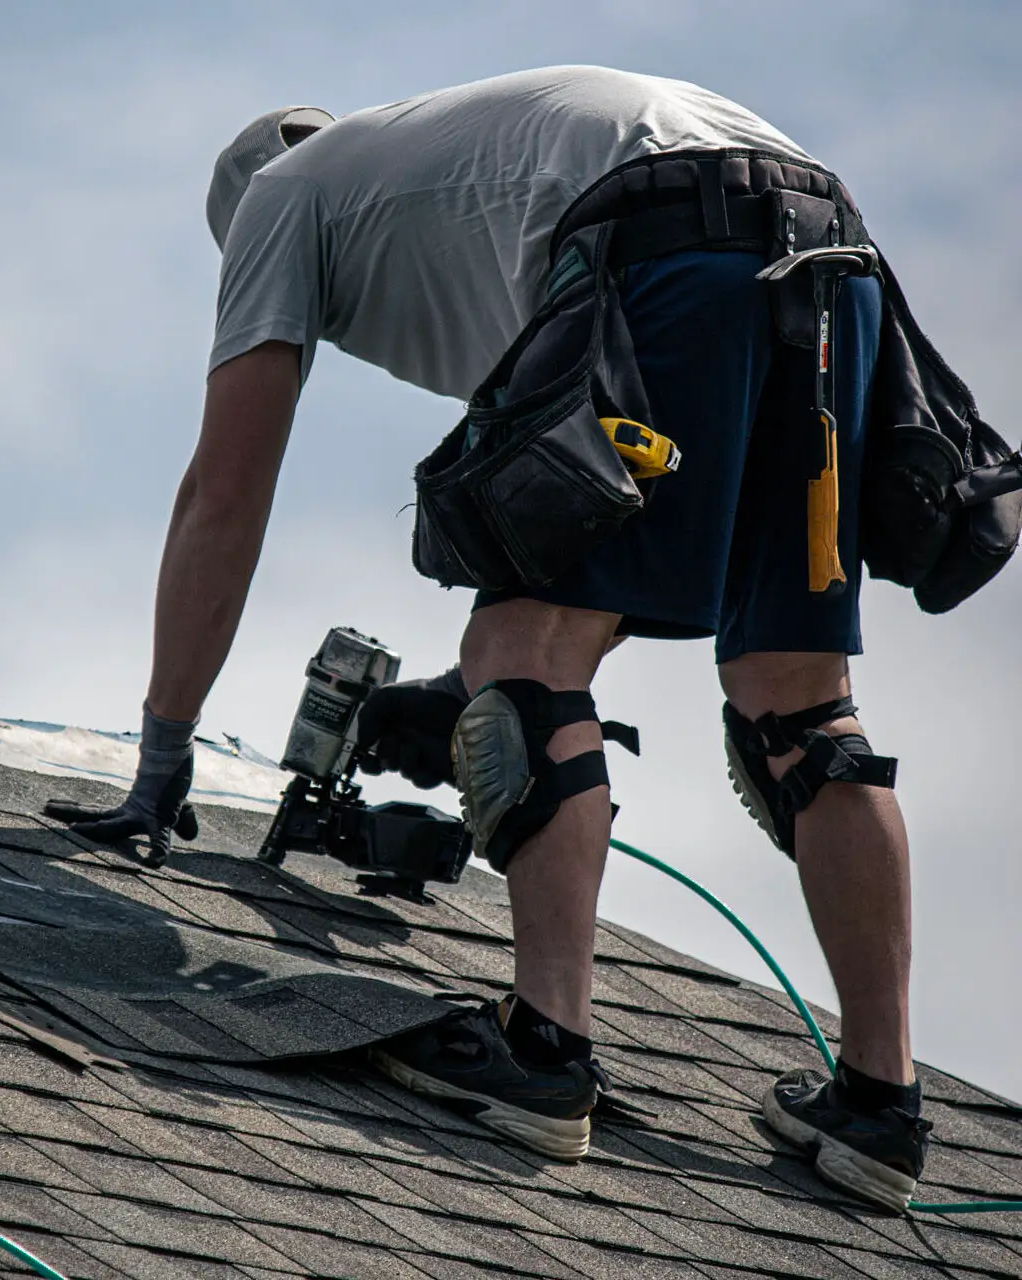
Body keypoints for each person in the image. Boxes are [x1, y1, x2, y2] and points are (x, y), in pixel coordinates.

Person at [59, 67, 931, 1211]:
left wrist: (161, 759)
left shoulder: (277, 202)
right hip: (828, 253)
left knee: (526, 641)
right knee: (796, 692)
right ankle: (879, 1105)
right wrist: (463, 687)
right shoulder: (448, 188)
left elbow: (223, 493)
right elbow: (608, 537)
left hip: (665, 231)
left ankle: (543, 1048)